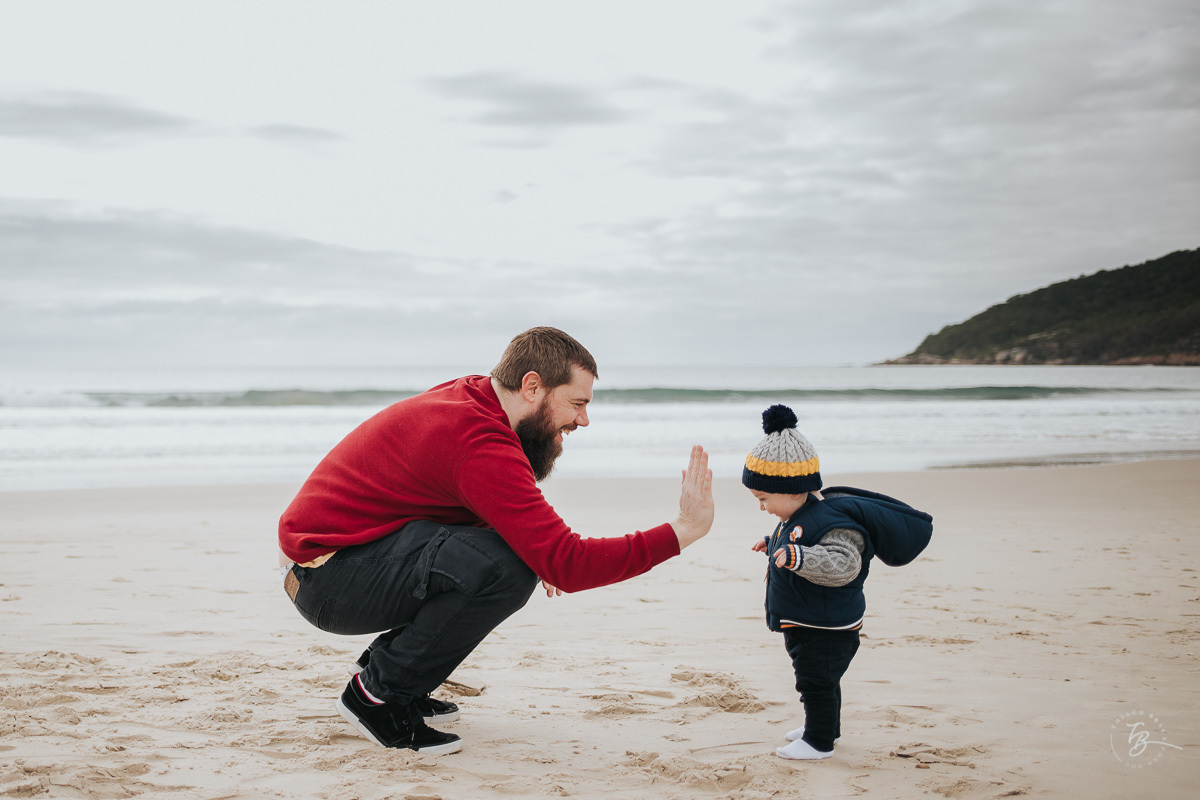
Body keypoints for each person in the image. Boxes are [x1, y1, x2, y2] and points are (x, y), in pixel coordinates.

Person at [278, 327, 714, 755]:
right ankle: (377, 695)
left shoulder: (471, 395)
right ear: (531, 386)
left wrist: (537, 547)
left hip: (336, 564)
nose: (583, 419)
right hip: (330, 584)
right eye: (577, 403)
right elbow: (570, 563)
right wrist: (683, 529)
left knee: (505, 555)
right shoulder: (479, 440)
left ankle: (390, 670)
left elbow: (466, 500)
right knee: (507, 570)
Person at [743, 404, 932, 761]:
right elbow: (800, 543)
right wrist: (774, 546)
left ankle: (819, 742)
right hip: (809, 618)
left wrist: (798, 557)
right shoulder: (800, 514)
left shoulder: (833, 520)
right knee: (821, 681)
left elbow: (844, 563)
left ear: (792, 489)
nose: (763, 507)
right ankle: (824, 726)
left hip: (827, 627)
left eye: (764, 498)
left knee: (816, 682)